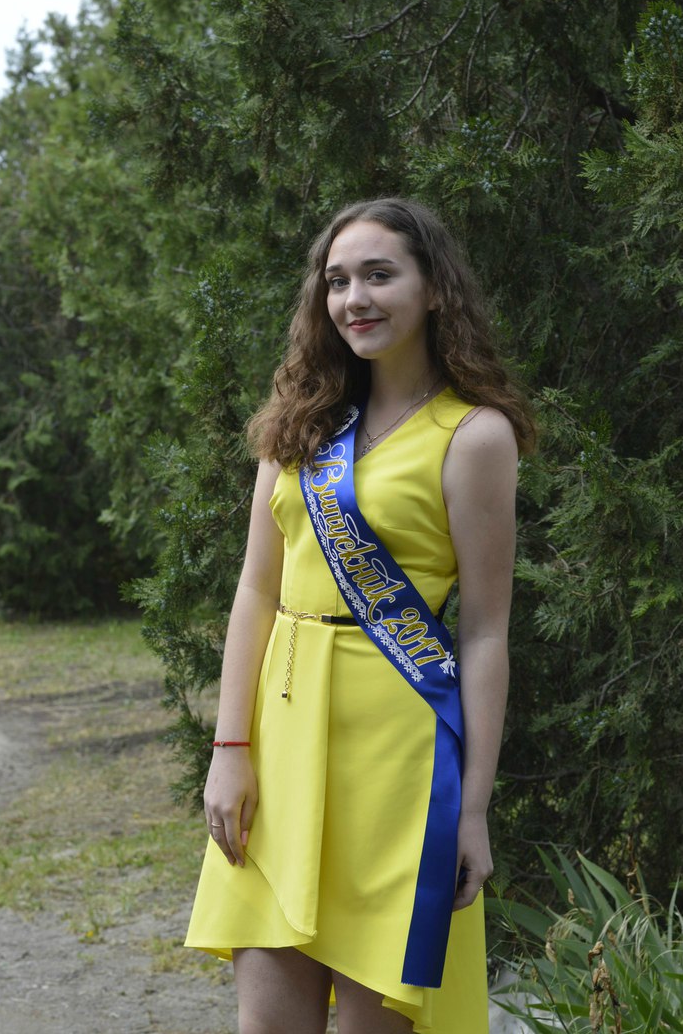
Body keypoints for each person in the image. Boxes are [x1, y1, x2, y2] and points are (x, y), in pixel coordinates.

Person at [185, 197, 535, 1033]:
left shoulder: (473, 437)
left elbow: (485, 632)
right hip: (281, 742)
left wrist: (473, 810)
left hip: (400, 763)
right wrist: (229, 751)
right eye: (338, 281)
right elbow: (255, 591)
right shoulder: (300, 426)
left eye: (380, 275)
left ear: (434, 288)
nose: (355, 298)